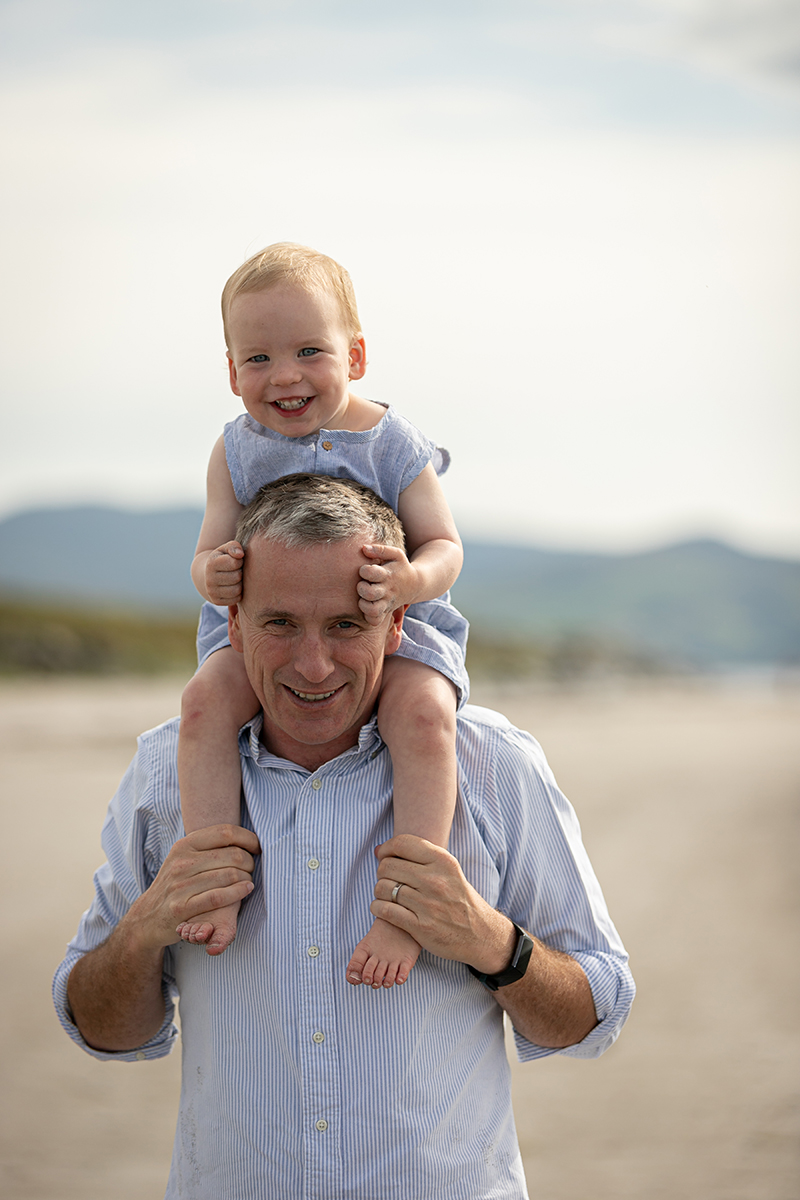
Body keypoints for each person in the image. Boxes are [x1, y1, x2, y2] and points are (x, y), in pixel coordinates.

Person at [54, 474, 635, 1200]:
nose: (313, 664)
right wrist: (144, 927)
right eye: (279, 624)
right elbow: (102, 1028)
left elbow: (595, 1012)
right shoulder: (164, 775)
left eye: (345, 626)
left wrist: (491, 942)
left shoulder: (494, 767)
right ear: (231, 625)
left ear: (396, 626)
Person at [177, 242, 467, 991]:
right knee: (204, 704)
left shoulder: (391, 441)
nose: (286, 376)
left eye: (310, 351)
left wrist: (410, 579)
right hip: (262, 627)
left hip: (387, 622)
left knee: (426, 720)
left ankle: (407, 905)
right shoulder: (236, 451)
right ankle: (212, 876)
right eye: (259, 358)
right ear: (232, 371)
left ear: (357, 354)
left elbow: (444, 544)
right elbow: (208, 552)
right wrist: (214, 572)